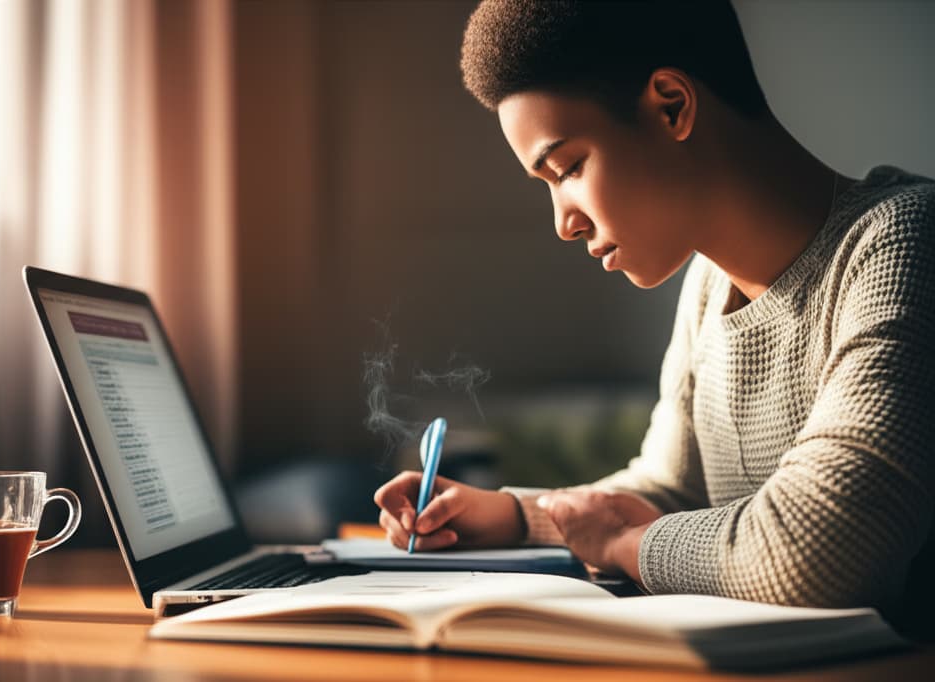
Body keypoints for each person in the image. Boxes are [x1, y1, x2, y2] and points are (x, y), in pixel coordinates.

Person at [373, 0, 935, 635]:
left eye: (569, 168)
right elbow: (671, 495)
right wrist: (507, 515)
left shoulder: (903, 243)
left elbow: (822, 548)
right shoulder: (707, 284)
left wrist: (621, 546)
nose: (564, 222)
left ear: (672, 105)